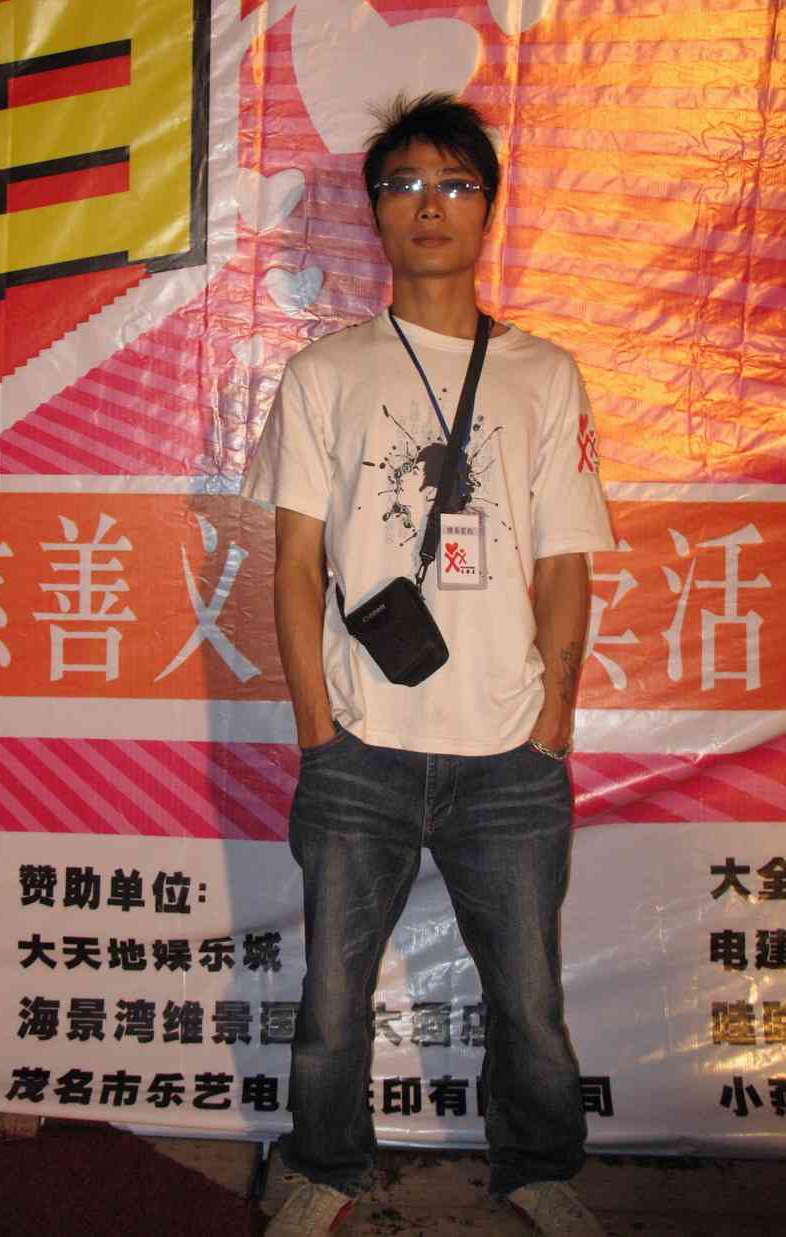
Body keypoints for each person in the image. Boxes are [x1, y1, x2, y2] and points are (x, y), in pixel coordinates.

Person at [240, 93, 616, 1236]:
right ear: (374, 214)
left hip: (509, 753)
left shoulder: (545, 374)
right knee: (332, 1001)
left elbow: (564, 562)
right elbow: (294, 566)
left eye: (455, 184)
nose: (430, 206)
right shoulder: (323, 374)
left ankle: (537, 1166)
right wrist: (318, 728)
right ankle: (325, 1166)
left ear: (488, 208)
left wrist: (552, 717)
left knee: (530, 1002)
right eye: (404, 185)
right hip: (359, 747)